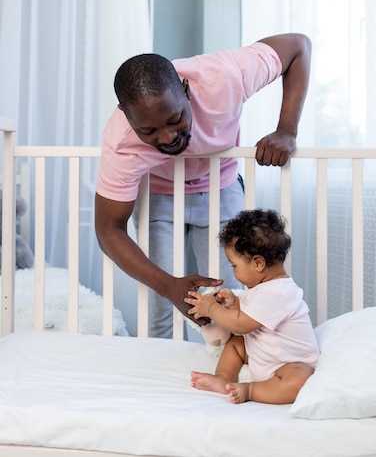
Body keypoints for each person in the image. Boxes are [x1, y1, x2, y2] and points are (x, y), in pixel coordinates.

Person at [95, 33, 312, 338]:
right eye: (149, 130)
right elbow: (108, 230)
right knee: (162, 307)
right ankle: (163, 379)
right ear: (125, 115)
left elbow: (298, 47)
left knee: (233, 297)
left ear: (186, 90)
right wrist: (170, 285)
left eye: (175, 119)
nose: (167, 137)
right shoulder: (121, 142)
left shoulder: (224, 77)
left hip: (220, 186)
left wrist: (287, 130)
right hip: (160, 195)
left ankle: (231, 372)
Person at [186, 209, 320, 405]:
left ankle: (251, 390)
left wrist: (212, 309)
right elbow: (252, 316)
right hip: (264, 354)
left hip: (289, 363)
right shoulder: (262, 288)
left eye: (234, 266)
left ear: (258, 263)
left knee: (300, 380)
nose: (233, 271)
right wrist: (235, 303)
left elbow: (242, 325)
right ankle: (223, 377)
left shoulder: (279, 293)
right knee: (235, 345)